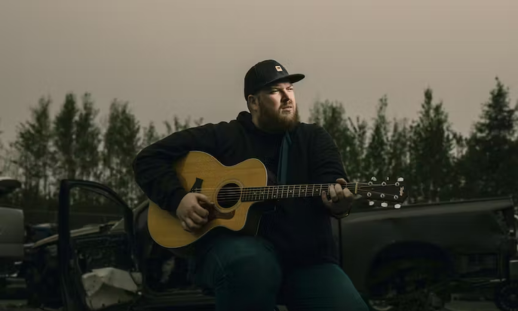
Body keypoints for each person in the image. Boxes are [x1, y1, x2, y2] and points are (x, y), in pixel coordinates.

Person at [132, 59, 369, 311]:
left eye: (290, 89)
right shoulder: (223, 137)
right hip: (237, 257)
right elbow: (147, 159)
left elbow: (332, 180)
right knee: (251, 264)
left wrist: (338, 202)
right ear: (253, 102)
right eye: (275, 91)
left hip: (306, 262)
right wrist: (179, 199)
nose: (287, 97)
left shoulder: (313, 139)